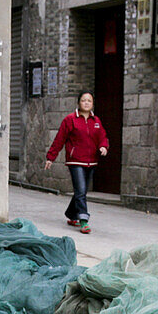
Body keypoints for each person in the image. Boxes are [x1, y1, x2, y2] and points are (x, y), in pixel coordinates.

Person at [44, 91, 109, 235]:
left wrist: (104, 146)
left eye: (89, 101)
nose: (86, 103)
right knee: (80, 190)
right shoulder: (70, 119)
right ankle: (83, 220)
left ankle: (71, 214)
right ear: (78, 103)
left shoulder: (96, 121)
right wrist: (51, 157)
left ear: (92, 104)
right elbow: (59, 139)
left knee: (82, 191)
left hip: (91, 161)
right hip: (75, 161)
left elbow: (103, 137)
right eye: (83, 100)